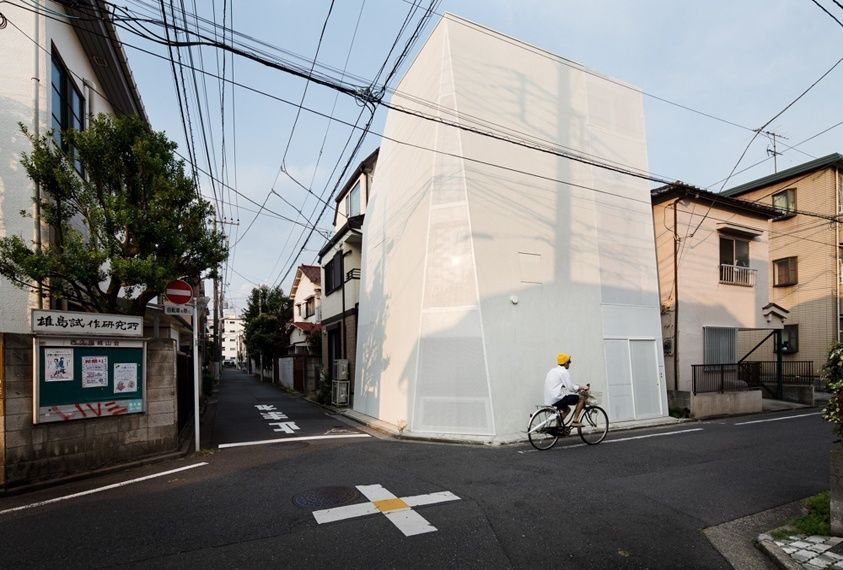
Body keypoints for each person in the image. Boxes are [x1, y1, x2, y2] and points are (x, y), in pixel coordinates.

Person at [544, 352, 588, 427]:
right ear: (565, 363)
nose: (569, 364)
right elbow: (570, 388)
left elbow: (564, 384)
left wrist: (578, 386)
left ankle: (558, 426)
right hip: (557, 398)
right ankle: (575, 420)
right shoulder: (564, 371)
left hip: (549, 399)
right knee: (581, 398)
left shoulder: (552, 371)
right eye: (569, 362)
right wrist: (582, 388)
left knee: (567, 410)